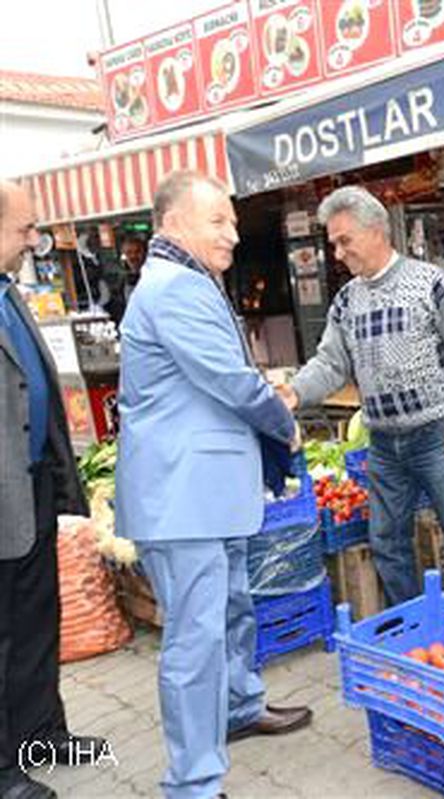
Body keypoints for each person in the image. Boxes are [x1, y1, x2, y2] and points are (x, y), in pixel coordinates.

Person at [115, 171, 312, 799]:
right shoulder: (175, 287)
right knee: (195, 640)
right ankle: (193, 783)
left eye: (233, 221)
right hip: (182, 500)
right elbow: (231, 380)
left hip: (207, 495)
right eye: (218, 221)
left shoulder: (186, 278)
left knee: (230, 611)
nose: (233, 234)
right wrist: (283, 423)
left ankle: (238, 708)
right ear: (175, 224)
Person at [277, 186, 444, 604]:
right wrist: (295, 392)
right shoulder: (345, 301)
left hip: (436, 435)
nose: (337, 253)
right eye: (333, 243)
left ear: (376, 230)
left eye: (344, 241)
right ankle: (414, 622)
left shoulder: (432, 284)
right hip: (383, 444)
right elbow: (331, 363)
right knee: (386, 542)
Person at [0, 181, 105, 799]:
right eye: (24, 229)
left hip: (32, 484)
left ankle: (42, 734)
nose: (33, 240)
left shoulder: (9, 292)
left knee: (39, 620)